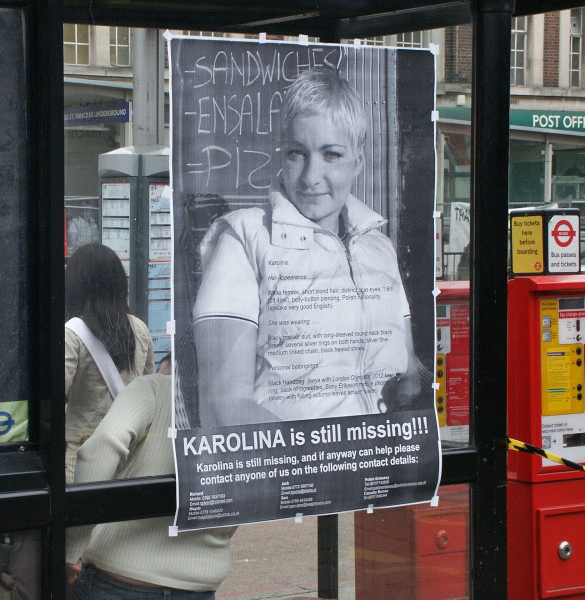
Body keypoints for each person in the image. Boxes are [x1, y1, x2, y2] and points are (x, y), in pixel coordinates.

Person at [192, 66, 420, 427]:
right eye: (298, 153)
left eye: (331, 155)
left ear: (357, 163)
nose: (312, 177)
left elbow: (408, 369)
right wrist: (318, 466)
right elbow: (225, 403)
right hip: (296, 473)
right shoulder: (244, 239)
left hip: (379, 465)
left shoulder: (379, 247)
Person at [66, 363, 236, 599]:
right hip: (199, 584)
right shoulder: (246, 406)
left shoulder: (154, 388)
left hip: (117, 577)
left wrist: (72, 548)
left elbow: (101, 447)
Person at [65, 243, 154, 483]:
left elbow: (54, 394)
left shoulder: (72, 333)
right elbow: (148, 391)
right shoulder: (140, 329)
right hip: (130, 454)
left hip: (83, 456)